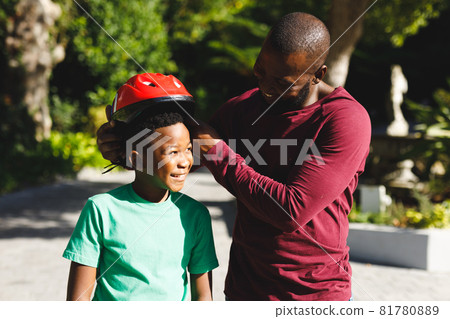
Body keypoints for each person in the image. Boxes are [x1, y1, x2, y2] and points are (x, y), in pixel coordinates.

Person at [97, 12, 371, 301]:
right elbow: (177, 158)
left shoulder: (345, 120)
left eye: (282, 82)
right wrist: (124, 148)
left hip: (315, 296)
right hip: (245, 292)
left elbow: (291, 210)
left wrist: (218, 152)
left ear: (318, 74)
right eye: (260, 70)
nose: (265, 86)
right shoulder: (242, 109)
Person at [64, 73, 219, 301]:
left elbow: (203, 297)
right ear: (136, 159)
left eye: (188, 149)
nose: (186, 161)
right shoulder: (101, 210)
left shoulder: (196, 216)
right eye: (173, 152)